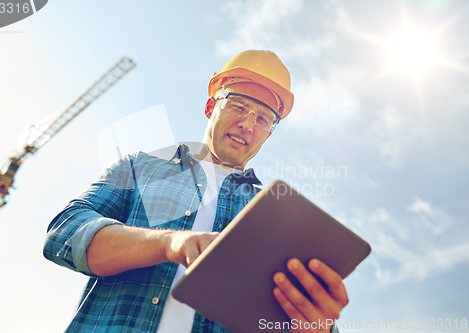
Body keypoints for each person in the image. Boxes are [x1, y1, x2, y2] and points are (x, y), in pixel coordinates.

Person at [44, 50, 348, 333]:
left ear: (269, 132)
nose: (247, 124)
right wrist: (168, 243)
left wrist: (316, 326)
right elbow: (65, 233)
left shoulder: (276, 218)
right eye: (238, 105)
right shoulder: (140, 168)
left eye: (263, 118)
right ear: (210, 106)